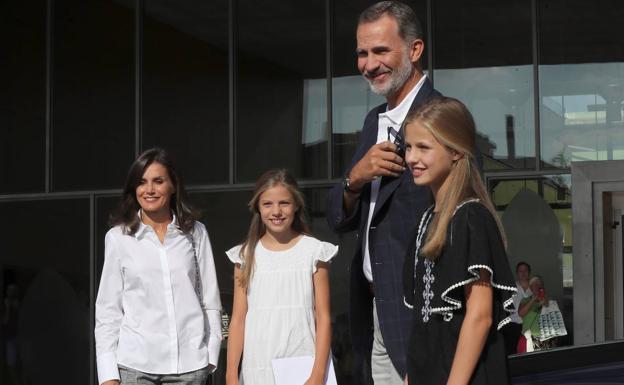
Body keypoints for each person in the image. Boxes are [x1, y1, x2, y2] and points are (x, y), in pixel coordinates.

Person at [326, 2, 440, 383]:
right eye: (362, 52)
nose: (369, 64)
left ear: (414, 50)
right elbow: (338, 219)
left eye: (380, 51)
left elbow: (459, 216)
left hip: (421, 314)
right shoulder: (373, 120)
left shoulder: (443, 116)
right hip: (376, 310)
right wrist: (353, 179)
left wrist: (428, 336)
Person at [402, 97, 516, 385]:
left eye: (423, 147)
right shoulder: (428, 219)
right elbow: (425, 326)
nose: (411, 158)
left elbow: (480, 316)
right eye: (408, 147)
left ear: (455, 151)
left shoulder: (471, 217)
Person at [95, 148, 222, 385]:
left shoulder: (196, 233)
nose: (149, 190)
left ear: (173, 185)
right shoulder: (118, 237)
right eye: (141, 182)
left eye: (158, 181)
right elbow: (108, 310)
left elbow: (210, 300)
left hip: (190, 365)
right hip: (135, 366)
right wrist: (108, 374)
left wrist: (211, 353)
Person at [225, 169, 337, 385]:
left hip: (303, 365)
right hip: (258, 367)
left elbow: (322, 317)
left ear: (296, 205)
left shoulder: (314, 251)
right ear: (257, 207)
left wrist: (317, 373)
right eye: (268, 204)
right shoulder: (244, 256)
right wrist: (231, 374)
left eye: (284, 203)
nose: (276, 211)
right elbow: (238, 319)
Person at [517, 275, 560, 352]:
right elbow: (521, 313)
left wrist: (545, 301)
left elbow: (555, 320)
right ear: (530, 288)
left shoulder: (549, 301)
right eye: (535, 284)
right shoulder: (525, 300)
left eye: (540, 284)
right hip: (531, 338)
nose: (538, 286)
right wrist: (533, 300)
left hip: (548, 338)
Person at [504, 262, 532, 354]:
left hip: (530, 326)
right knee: (512, 353)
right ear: (517, 273)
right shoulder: (511, 288)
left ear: (529, 272)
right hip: (513, 325)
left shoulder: (534, 288)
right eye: (520, 271)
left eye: (525, 270)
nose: (523, 273)